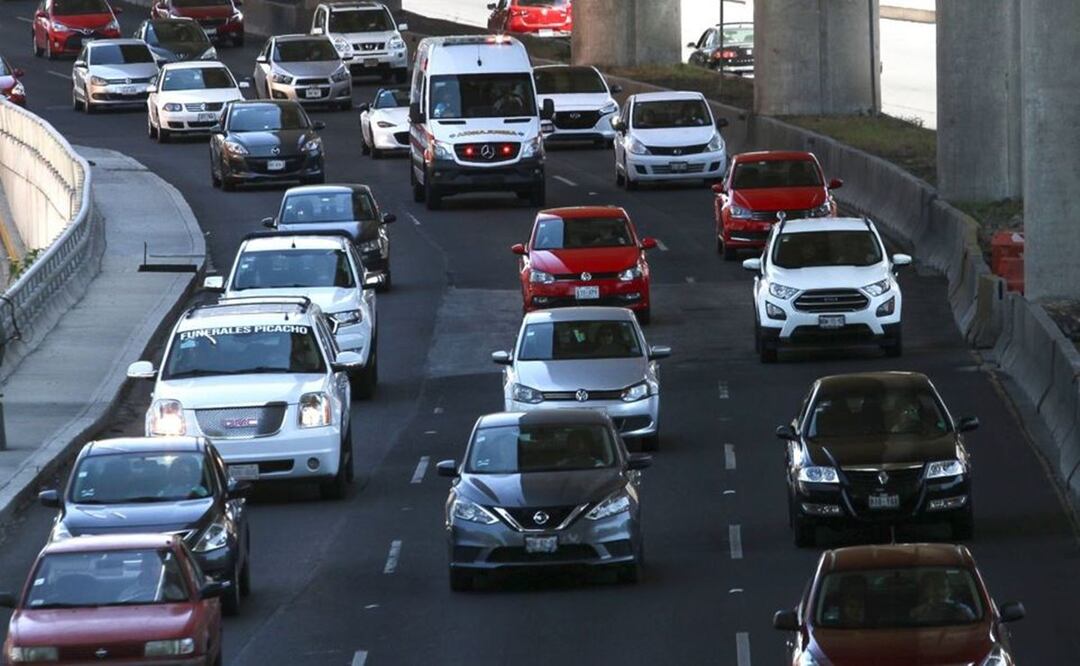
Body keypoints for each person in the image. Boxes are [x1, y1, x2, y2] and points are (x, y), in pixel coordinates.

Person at [910, 571, 976, 624]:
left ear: (949, 589)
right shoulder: (918, 613)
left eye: (943, 586)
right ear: (925, 591)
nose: (939, 591)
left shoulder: (962, 610)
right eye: (934, 588)